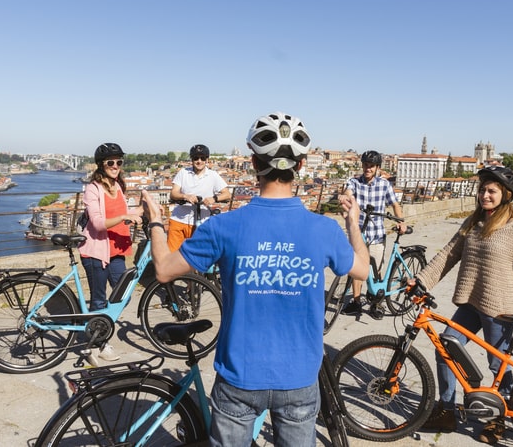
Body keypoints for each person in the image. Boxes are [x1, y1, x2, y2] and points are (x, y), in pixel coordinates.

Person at [141, 112, 370, 446]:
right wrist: (352, 222)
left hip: (240, 375)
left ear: (252, 163)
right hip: (299, 378)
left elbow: (162, 270)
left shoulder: (225, 227)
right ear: (301, 166)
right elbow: (362, 269)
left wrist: (156, 222)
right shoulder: (323, 229)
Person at [412, 165, 513, 445]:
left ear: (506, 195)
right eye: (482, 190)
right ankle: (447, 410)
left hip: (501, 308)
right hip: (471, 302)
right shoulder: (472, 223)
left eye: (491, 191)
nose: (484, 195)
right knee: (446, 348)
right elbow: (448, 255)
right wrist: (421, 281)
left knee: (497, 364)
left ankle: (501, 416)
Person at [78, 142, 143, 364]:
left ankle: (98, 329)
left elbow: (124, 212)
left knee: (122, 296)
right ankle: (97, 344)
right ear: (101, 165)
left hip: (116, 251)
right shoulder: (93, 188)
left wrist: (142, 210)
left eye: (119, 162)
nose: (115, 166)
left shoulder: (119, 186)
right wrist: (126, 218)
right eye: (111, 162)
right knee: (98, 300)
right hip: (97, 251)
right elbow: (97, 223)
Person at [341, 149, 408, 319]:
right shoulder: (355, 182)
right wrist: (344, 198)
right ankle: (356, 302)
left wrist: (401, 221)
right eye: (365, 165)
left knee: (376, 270)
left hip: (377, 233)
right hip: (360, 234)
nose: (368, 168)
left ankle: (376, 303)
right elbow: (348, 192)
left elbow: (394, 204)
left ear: (377, 167)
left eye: (371, 166)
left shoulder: (384, 184)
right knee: (357, 270)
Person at [168, 144, 230, 251]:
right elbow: (173, 193)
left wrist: (213, 198)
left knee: (199, 257)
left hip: (202, 221)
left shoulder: (213, 175)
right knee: (172, 256)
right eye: (196, 158)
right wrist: (185, 196)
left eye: (203, 158)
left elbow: (227, 194)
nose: (199, 161)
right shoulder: (183, 173)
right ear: (192, 159)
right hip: (179, 220)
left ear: (207, 160)